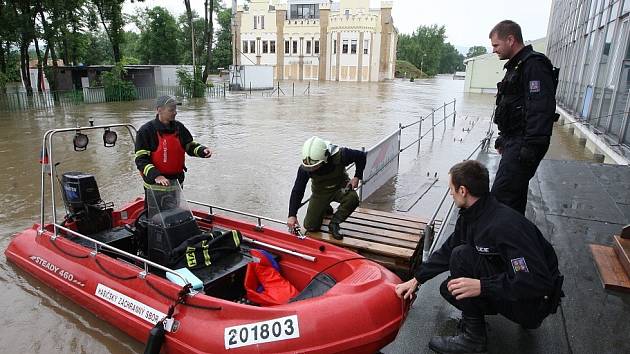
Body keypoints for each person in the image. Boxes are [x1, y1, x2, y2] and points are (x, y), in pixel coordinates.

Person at [395, 160, 563, 354]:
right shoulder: (473, 215)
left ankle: (473, 339)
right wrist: (417, 278)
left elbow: (535, 280)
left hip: (534, 303)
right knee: (450, 289)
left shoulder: (505, 225)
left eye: (451, 189)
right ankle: (477, 322)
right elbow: (448, 248)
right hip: (520, 292)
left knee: (462, 256)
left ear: (463, 190)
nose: (450, 194)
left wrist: (483, 286)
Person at [490, 20, 559, 214]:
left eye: (496, 45)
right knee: (513, 197)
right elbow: (512, 106)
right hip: (514, 140)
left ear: (510, 39)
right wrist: (504, 138)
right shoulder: (517, 66)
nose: (494, 50)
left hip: (523, 143)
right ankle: (514, 240)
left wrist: (530, 147)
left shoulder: (533, 65)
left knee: (501, 199)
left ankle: (501, 241)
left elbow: (540, 109)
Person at [287, 136, 366, 240]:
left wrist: (357, 177)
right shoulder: (305, 168)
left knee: (353, 198)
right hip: (320, 193)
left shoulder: (341, 155)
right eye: (309, 167)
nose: (311, 169)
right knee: (310, 226)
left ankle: (334, 223)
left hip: (340, 188)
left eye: (315, 166)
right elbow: (298, 190)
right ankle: (325, 208)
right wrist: (292, 215)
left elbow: (361, 156)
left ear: (325, 158)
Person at [134, 95, 212, 190]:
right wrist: (156, 176)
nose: (175, 113)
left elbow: (189, 146)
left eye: (175, 109)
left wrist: (202, 151)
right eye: (171, 110)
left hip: (177, 183)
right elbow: (141, 160)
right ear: (159, 110)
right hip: (155, 187)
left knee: (176, 205)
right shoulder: (146, 131)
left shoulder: (179, 127)